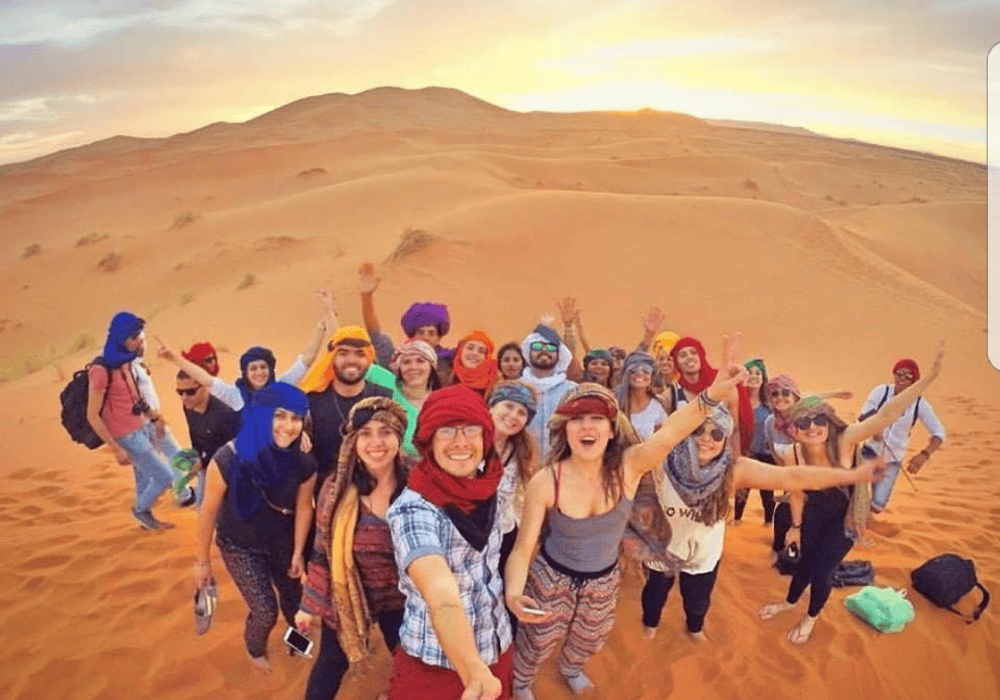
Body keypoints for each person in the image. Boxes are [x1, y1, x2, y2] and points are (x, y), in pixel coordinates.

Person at [504, 333, 747, 700]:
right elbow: (523, 550)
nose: (587, 427)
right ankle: (522, 680)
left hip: (603, 580)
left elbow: (669, 435)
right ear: (564, 428)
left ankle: (570, 668)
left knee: (590, 636)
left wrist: (710, 395)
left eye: (597, 419)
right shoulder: (545, 480)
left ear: (612, 428)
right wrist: (513, 591)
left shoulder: (629, 468)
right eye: (577, 419)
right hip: (550, 577)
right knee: (537, 639)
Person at [628, 404, 883, 642]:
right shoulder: (661, 463)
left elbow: (791, 476)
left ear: (725, 440)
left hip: (702, 555)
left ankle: (694, 629)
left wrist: (851, 475)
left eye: (717, 434)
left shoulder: (733, 470)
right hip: (662, 549)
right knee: (655, 592)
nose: (707, 439)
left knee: (697, 600)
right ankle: (650, 624)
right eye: (698, 431)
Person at [758, 345, 944, 644]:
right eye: (804, 423)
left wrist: (925, 382)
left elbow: (886, 414)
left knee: (821, 572)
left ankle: (811, 617)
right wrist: (794, 527)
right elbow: (795, 493)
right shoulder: (793, 452)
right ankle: (790, 602)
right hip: (814, 515)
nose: (813, 427)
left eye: (819, 419)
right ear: (795, 429)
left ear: (829, 421)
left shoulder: (845, 440)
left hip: (846, 521)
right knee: (805, 562)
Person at [386, 385, 514, 700]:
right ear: (428, 441)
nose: (460, 442)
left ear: (485, 437)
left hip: (496, 645)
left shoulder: (490, 486)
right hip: (437, 663)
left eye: (470, 429)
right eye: (446, 431)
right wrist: (471, 668)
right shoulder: (413, 508)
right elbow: (440, 594)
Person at [193, 382, 317, 673]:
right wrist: (201, 562)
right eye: (279, 416)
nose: (288, 426)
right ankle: (255, 649)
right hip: (239, 545)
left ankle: (296, 642)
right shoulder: (227, 459)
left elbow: (302, 508)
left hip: (282, 542)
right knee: (264, 611)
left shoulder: (304, 462)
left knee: (294, 601)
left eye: (296, 418)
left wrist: (299, 552)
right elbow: (208, 511)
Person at [296, 397, 410, 700]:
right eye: (366, 433)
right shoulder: (336, 489)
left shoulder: (419, 485)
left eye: (385, 432)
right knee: (331, 663)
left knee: (410, 662)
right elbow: (323, 549)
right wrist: (309, 605)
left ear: (399, 436)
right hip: (349, 593)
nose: (376, 442)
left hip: (405, 598)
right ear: (353, 440)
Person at [158, 288, 335, 419]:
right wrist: (174, 358)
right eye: (253, 368)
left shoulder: (283, 385)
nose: (259, 372)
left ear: (271, 369)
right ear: (246, 373)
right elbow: (205, 379)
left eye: (263, 367)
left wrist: (324, 321)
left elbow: (307, 359)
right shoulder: (236, 396)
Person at [87, 312, 185, 529]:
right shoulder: (101, 370)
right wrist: (115, 449)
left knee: (142, 477)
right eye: (134, 338)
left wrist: (155, 418)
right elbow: (92, 415)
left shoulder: (126, 362)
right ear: (121, 338)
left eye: (140, 337)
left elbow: (136, 398)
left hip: (141, 427)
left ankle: (145, 520)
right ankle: (140, 510)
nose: (139, 342)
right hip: (124, 435)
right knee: (165, 477)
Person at [299, 326, 394, 495]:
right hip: (325, 500)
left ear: (369, 359)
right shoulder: (311, 402)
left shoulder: (384, 399)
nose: (351, 360)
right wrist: (299, 434)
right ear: (332, 358)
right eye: (343, 353)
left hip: (374, 498)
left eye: (360, 354)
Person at [488, 381, 541, 633]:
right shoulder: (467, 439)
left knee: (505, 592)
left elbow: (523, 494)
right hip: (469, 536)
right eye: (508, 406)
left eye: (522, 413)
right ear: (492, 405)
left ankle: (504, 643)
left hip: (505, 534)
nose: (513, 416)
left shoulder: (522, 450)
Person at [861, 358, 946, 513]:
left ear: (914, 380)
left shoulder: (920, 404)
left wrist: (924, 455)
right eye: (898, 374)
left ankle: (864, 517)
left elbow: (939, 433)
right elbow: (865, 413)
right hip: (869, 452)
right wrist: (873, 428)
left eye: (907, 376)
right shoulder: (881, 391)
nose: (901, 379)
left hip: (892, 460)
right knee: (852, 491)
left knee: (878, 505)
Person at [357, 262, 454, 384]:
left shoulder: (448, 361)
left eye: (431, 333)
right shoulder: (398, 360)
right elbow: (376, 335)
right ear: (412, 334)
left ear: (438, 338)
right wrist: (367, 297)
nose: (425, 337)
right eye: (421, 332)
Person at [669, 336, 754, 458]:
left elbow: (735, 429)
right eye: (683, 355)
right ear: (676, 363)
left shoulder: (724, 388)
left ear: (701, 356)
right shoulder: (673, 393)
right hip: (684, 463)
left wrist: (735, 460)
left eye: (693, 353)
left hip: (719, 461)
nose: (689, 357)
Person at [366, 339, 441, 461]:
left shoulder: (442, 403)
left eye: (420, 361)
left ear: (431, 366)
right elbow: (354, 364)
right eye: (406, 362)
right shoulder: (387, 384)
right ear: (398, 368)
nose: (413, 367)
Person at [175, 369, 240, 506]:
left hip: (231, 470)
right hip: (208, 464)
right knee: (202, 506)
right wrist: (197, 455)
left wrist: (203, 462)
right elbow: (194, 433)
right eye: (180, 392)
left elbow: (234, 450)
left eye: (190, 392)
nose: (184, 397)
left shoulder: (224, 414)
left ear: (205, 387)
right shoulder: (189, 406)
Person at [519, 324, 577, 460]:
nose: (544, 351)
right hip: (523, 467)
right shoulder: (516, 389)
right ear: (528, 351)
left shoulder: (572, 390)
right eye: (538, 346)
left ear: (559, 354)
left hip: (562, 465)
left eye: (551, 348)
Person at [734, 358, 776, 525]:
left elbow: (800, 399)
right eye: (750, 372)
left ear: (763, 378)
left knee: (767, 492)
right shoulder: (736, 400)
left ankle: (768, 522)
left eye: (758, 373)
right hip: (745, 454)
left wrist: (834, 394)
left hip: (766, 454)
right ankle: (737, 520)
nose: (753, 376)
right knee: (741, 490)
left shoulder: (771, 403)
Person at [615, 351, 670, 441]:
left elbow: (661, 441)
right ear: (626, 375)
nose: (640, 373)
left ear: (651, 377)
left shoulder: (658, 405)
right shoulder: (615, 402)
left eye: (646, 371)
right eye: (633, 370)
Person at [452, 330, 499, 396]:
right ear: (460, 351)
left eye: (481, 351)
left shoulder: (495, 381)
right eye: (470, 348)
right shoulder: (444, 375)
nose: (474, 353)